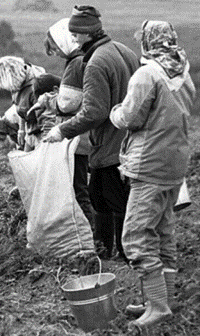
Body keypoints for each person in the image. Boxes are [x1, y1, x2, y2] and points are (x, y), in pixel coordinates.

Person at [110, 21, 196, 330]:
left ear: (147, 42)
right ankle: (160, 299)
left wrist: (114, 111)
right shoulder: (183, 72)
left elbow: (130, 117)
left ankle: (158, 307)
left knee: (135, 236)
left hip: (149, 164)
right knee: (162, 231)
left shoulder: (146, 74)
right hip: (174, 163)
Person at [43, 5, 140, 260]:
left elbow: (94, 112)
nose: (73, 38)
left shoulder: (95, 63)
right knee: (98, 196)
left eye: (76, 33)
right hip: (130, 138)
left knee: (113, 200)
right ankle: (105, 251)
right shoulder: (123, 50)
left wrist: (61, 130)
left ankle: (122, 253)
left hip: (111, 142)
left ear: (89, 33)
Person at [28, 18, 94, 226]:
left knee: (78, 189)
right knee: (83, 187)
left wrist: (46, 100)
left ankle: (91, 236)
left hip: (77, 138)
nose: (55, 53)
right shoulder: (84, 59)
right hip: (83, 135)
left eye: (55, 48)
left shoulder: (76, 63)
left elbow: (67, 103)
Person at [0, 56, 47, 152]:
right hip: (31, 131)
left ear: (10, 77)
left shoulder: (36, 86)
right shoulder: (16, 87)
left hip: (42, 132)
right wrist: (22, 130)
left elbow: (45, 117)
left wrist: (45, 142)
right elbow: (21, 110)